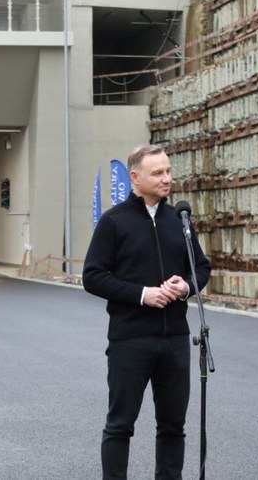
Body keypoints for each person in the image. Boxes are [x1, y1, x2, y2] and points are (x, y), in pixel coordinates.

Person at [83, 144, 212, 480]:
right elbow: (93, 276)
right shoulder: (113, 222)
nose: (166, 179)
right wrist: (142, 295)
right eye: (158, 173)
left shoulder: (180, 220)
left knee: (173, 427)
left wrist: (184, 286)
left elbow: (200, 267)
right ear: (135, 178)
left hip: (175, 340)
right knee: (120, 425)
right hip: (130, 340)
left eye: (168, 171)